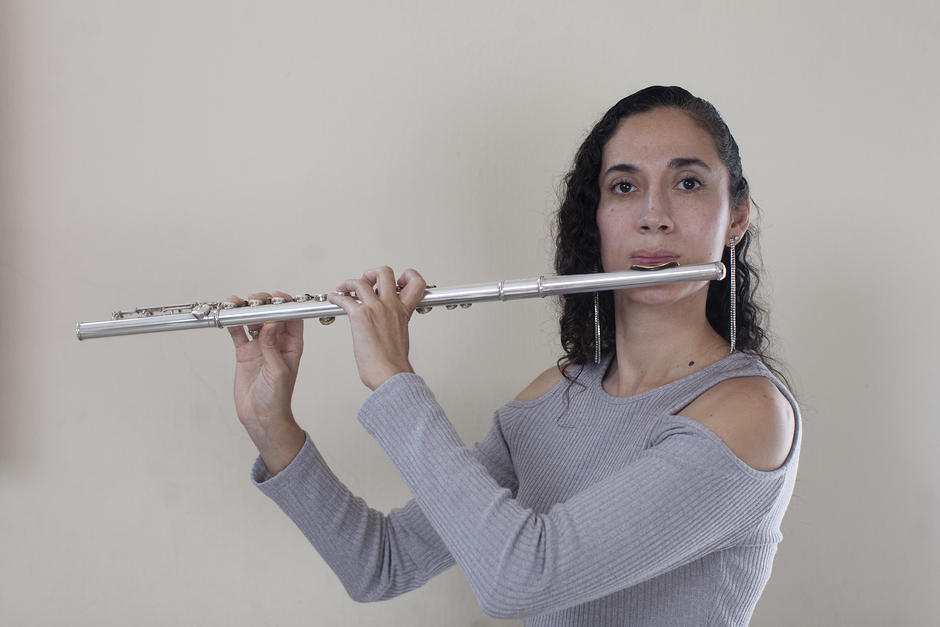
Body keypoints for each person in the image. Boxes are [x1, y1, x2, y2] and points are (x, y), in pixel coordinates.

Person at [225, 86, 801, 626]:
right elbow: (381, 563)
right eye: (624, 187)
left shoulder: (748, 412)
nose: (654, 214)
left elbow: (522, 577)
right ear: (595, 218)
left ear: (737, 217)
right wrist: (271, 424)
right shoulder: (553, 395)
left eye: (689, 183)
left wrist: (393, 379)